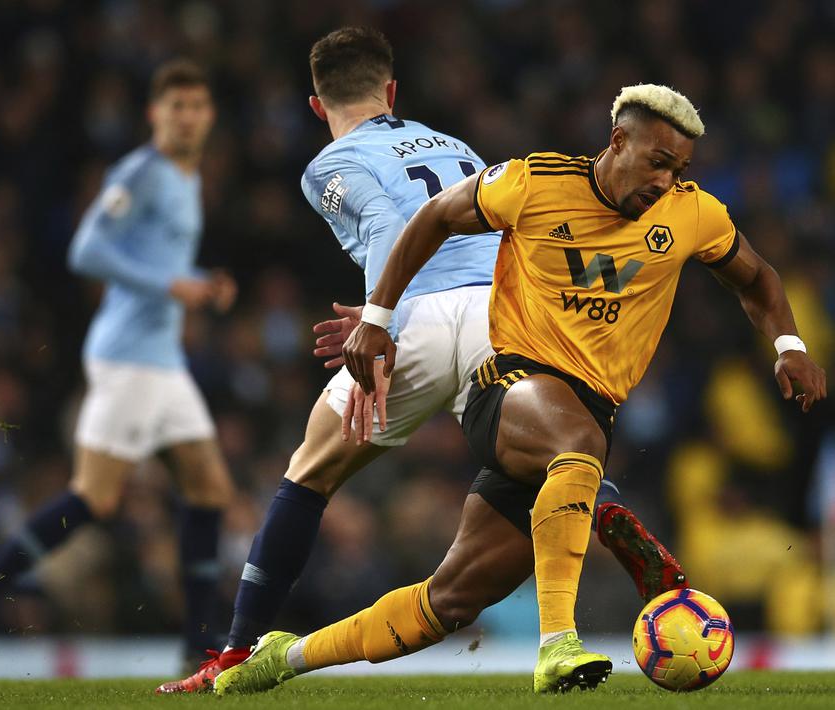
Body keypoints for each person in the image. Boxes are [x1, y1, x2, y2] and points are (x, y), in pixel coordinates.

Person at [214, 82, 826, 695]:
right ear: (618, 142)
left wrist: (789, 346)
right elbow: (433, 216)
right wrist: (377, 318)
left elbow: (759, 279)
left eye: (680, 169)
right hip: (506, 385)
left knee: (450, 601)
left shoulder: (694, 214)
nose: (666, 181)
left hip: (585, 413)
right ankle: (558, 641)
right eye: (658, 162)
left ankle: (280, 659)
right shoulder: (536, 180)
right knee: (577, 442)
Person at [158, 27, 687, 694]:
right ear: (392, 92)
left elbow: (386, 226)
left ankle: (236, 652)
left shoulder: (330, 161)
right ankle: (602, 501)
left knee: (307, 474)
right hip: (501, 319)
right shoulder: (454, 145)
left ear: (317, 108)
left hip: (423, 319)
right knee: (551, 448)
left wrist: (379, 325)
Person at [0, 58, 237, 676]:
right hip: (128, 359)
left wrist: (199, 286)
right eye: (176, 106)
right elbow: (87, 249)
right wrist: (172, 285)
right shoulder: (141, 172)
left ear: (208, 116)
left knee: (208, 487)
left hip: (163, 360)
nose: (188, 117)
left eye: (197, 107)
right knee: (95, 498)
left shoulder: (185, 179)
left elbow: (157, 265)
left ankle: (199, 641)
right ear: (156, 115)